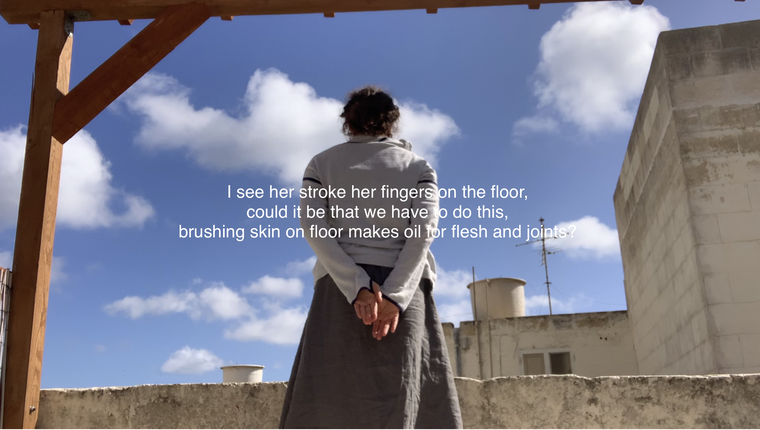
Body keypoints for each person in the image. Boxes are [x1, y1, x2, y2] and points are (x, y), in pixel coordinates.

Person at [279, 86, 462, 429]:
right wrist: (395, 295)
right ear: (392, 122)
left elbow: (313, 227)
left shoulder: (321, 163)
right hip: (405, 285)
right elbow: (423, 232)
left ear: (347, 122)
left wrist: (358, 288)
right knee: (410, 396)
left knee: (329, 398)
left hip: (339, 288)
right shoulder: (419, 167)